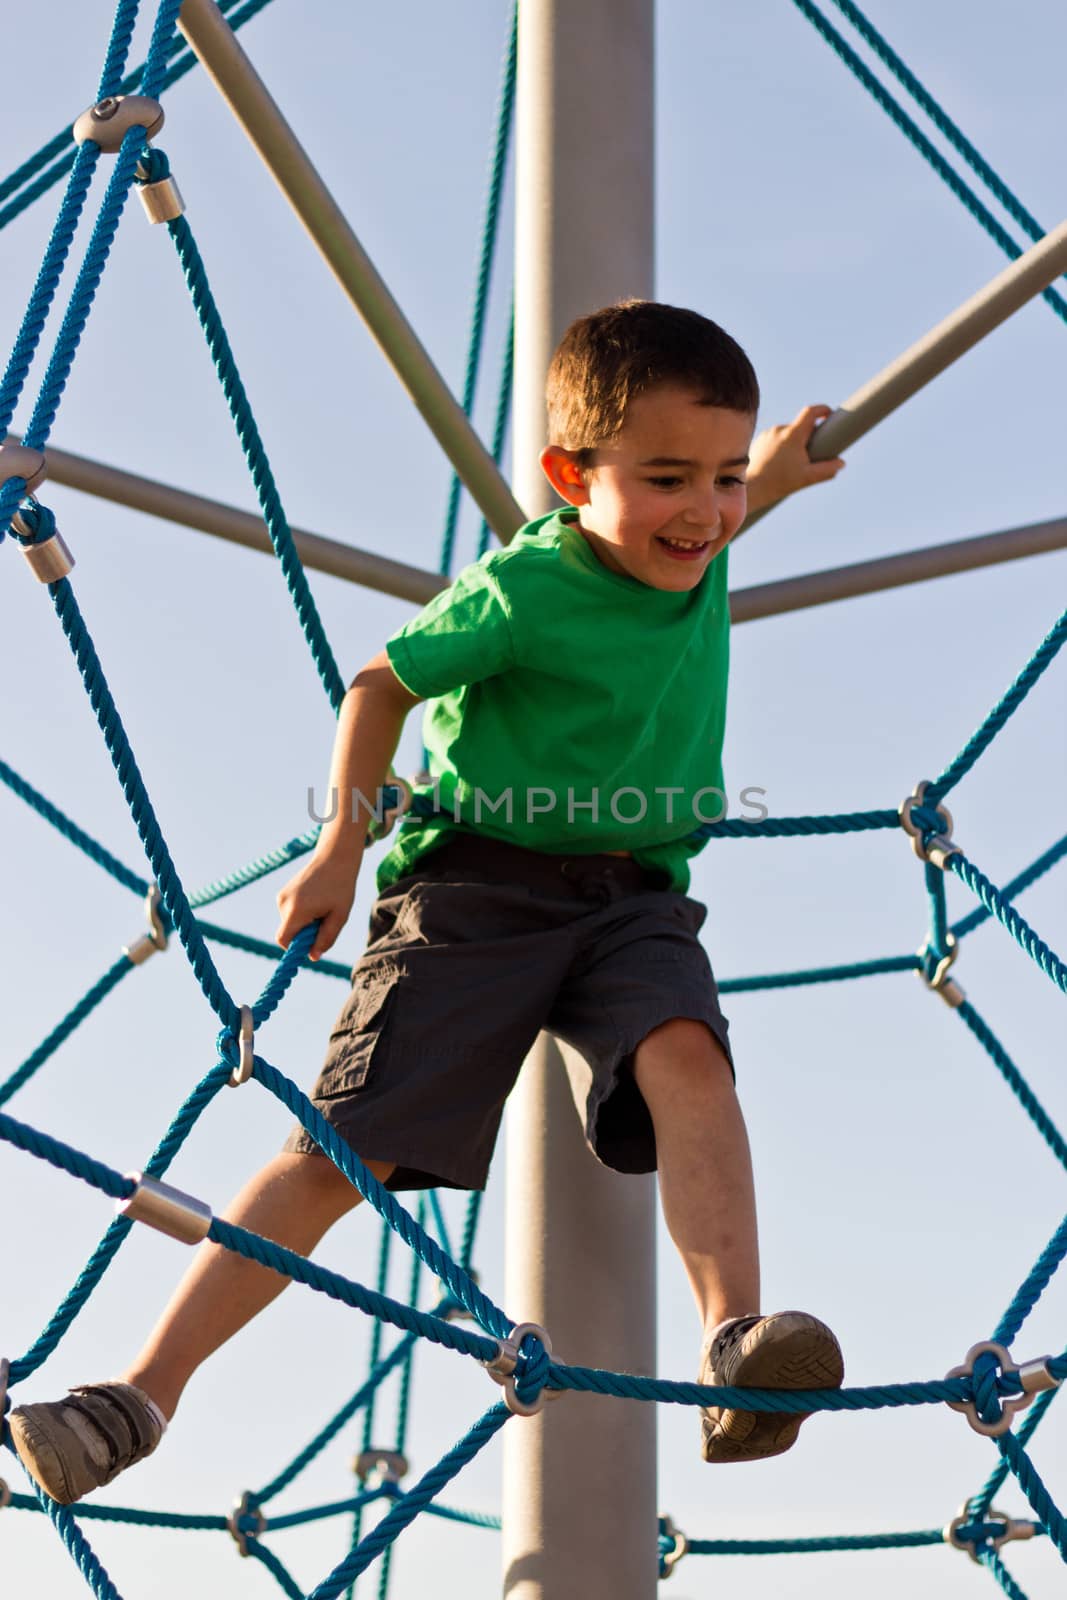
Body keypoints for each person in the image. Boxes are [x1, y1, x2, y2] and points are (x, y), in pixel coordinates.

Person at [10, 300, 847, 1505]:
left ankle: (734, 1349)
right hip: (474, 888)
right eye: (669, 476)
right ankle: (135, 1396)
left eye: (720, 474)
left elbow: (709, 511)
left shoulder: (694, 538)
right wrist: (341, 843)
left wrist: (768, 476)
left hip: (633, 895)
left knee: (688, 1060)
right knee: (347, 1146)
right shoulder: (523, 590)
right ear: (570, 477)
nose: (704, 512)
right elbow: (377, 685)